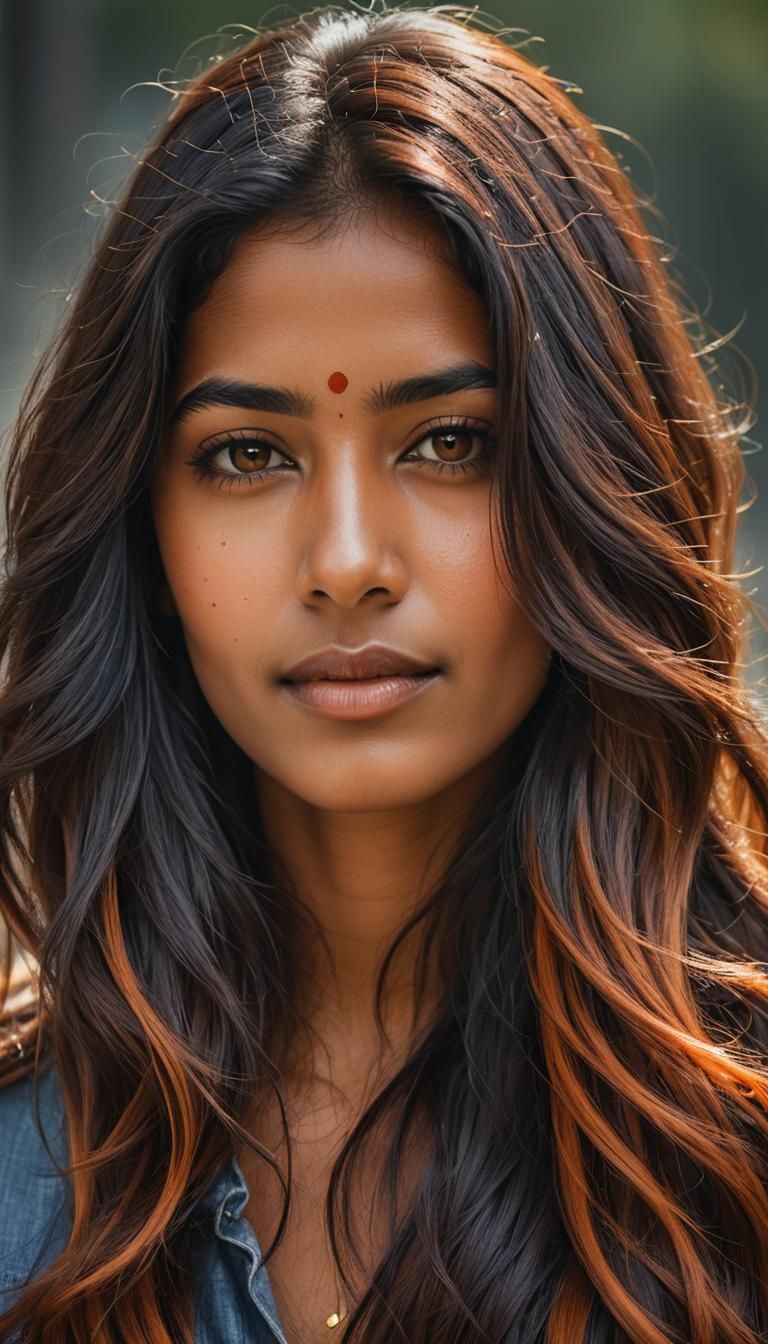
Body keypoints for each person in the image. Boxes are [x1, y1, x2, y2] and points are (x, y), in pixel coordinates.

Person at [1, 3, 767, 1341]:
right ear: (144, 524)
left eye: (449, 443)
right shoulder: (25, 1180)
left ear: (593, 477)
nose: (347, 561)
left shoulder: (734, 1146)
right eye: (249, 453)